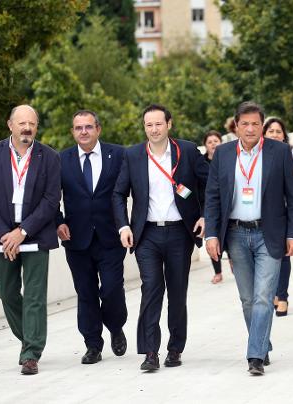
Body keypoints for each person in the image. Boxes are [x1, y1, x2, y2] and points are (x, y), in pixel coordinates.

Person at [204, 101, 293, 376]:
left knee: (263, 296)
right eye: (244, 124)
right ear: (236, 126)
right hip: (235, 234)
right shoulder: (222, 154)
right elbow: (212, 197)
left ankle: (255, 356)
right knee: (247, 298)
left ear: (262, 126)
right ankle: (261, 342)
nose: (250, 129)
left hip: (268, 233)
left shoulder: (279, 152)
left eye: (255, 124)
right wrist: (211, 233)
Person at [112, 104, 209, 372]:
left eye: (158, 124)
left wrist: (205, 216)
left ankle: (175, 348)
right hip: (147, 234)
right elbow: (118, 194)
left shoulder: (187, 151)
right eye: (148, 125)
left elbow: (211, 183)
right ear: (144, 127)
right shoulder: (133, 155)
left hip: (180, 232)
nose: (154, 130)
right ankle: (150, 352)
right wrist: (123, 226)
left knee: (177, 292)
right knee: (151, 289)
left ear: (169, 124)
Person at [0, 104, 61, 375]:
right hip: (0, 235)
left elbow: (51, 200)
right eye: (22, 123)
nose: (27, 128)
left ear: (36, 127)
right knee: (6, 292)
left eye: (32, 124)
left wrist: (22, 231)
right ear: (10, 125)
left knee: (35, 296)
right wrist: (5, 235)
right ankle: (29, 337)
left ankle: (31, 354)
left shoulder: (49, 156)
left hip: (35, 234)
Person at [56, 110, 127, 364]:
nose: (83, 132)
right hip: (76, 239)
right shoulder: (61, 159)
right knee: (85, 293)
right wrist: (58, 221)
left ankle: (116, 326)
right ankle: (93, 345)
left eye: (88, 127)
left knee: (111, 290)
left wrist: (129, 225)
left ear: (98, 129)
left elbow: (132, 188)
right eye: (78, 128)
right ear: (73, 132)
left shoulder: (118, 155)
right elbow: (50, 196)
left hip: (111, 237)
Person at [263, 117, 293, 316]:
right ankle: (272, 294)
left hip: (284, 213)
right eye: (271, 131)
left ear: (284, 135)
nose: (275, 134)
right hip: (264, 213)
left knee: (284, 255)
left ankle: (282, 296)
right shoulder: (259, 154)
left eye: (278, 131)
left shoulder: (290, 154)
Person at [202, 130, 227, 284]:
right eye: (209, 141)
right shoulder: (201, 162)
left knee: (230, 236)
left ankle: (232, 261)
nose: (213, 144)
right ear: (205, 145)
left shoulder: (227, 159)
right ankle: (218, 272)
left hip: (226, 205)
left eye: (215, 141)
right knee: (212, 237)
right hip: (209, 206)